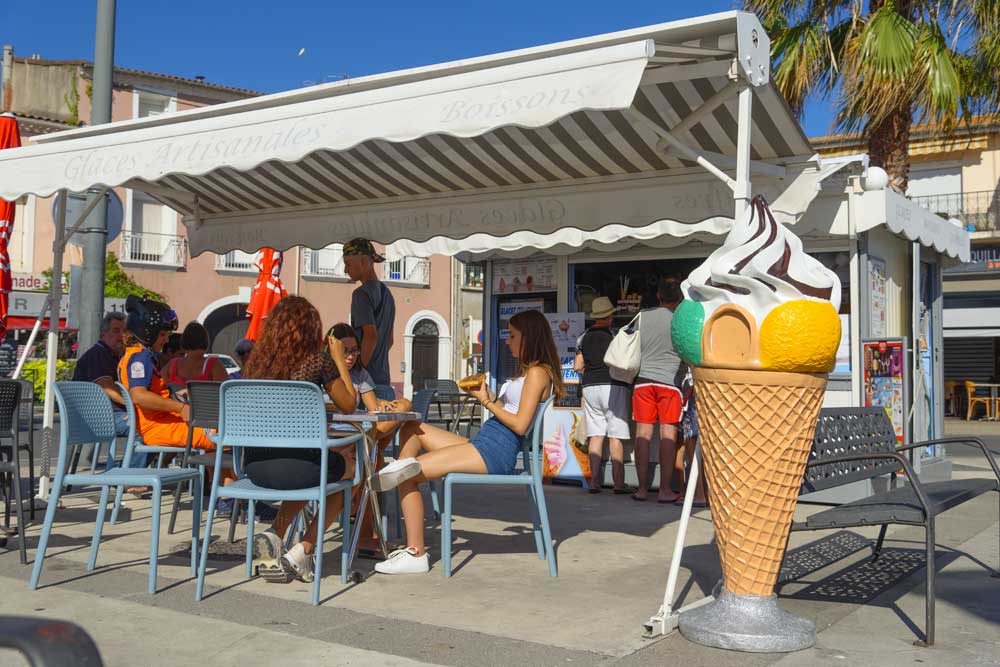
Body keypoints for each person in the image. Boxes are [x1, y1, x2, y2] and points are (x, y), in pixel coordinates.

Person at [370, 309, 563, 575]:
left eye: (513, 336)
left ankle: (415, 552)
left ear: (529, 338)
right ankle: (399, 473)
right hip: (487, 441)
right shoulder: (529, 372)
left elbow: (520, 424)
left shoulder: (538, 373)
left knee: (407, 473)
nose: (508, 341)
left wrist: (485, 402)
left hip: (495, 451)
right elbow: (515, 413)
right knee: (412, 428)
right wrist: (487, 396)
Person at [242, 296, 358, 584]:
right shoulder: (318, 362)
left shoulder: (256, 364)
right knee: (352, 470)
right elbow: (349, 404)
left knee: (315, 469)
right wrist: (338, 361)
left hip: (255, 467)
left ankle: (275, 533)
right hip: (297, 467)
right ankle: (303, 549)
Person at [117, 296, 216, 455]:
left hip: (161, 423)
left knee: (219, 433)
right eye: (162, 334)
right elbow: (139, 395)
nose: (167, 339)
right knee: (225, 435)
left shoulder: (138, 356)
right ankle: (222, 479)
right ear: (147, 333)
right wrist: (181, 407)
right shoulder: (139, 358)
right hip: (158, 427)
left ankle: (217, 479)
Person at [631, 278, 687, 503]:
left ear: (658, 296)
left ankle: (642, 489)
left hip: (643, 381)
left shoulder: (642, 316)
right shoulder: (681, 320)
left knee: (642, 434)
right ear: (680, 298)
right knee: (668, 435)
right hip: (670, 382)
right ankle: (664, 489)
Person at [72, 312, 145, 469]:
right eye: (116, 331)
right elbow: (108, 388)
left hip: (110, 414)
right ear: (103, 333)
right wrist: (136, 404)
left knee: (157, 422)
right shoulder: (98, 354)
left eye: (124, 331)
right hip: (96, 418)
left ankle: (127, 469)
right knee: (144, 424)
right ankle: (128, 474)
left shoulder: (116, 356)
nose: (121, 336)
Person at [573, 296, 631, 494]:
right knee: (616, 434)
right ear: (609, 316)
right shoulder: (615, 334)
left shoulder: (583, 336)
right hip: (612, 385)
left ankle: (594, 482)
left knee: (595, 435)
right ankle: (619, 483)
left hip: (589, 386)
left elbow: (577, 366)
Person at [343, 238, 396, 401]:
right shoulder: (387, 294)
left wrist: (358, 372)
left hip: (367, 389)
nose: (345, 270)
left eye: (348, 264)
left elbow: (370, 336)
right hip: (384, 383)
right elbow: (389, 340)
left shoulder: (361, 294)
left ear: (364, 262)